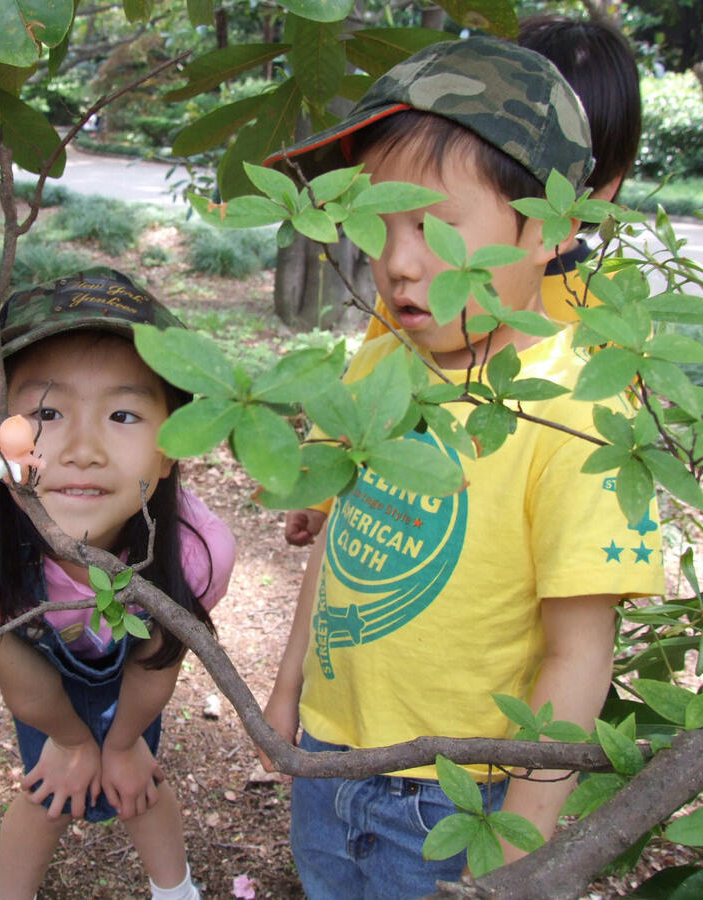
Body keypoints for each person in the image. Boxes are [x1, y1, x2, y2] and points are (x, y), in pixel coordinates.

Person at [258, 37, 665, 898]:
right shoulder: (378, 365)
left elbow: (577, 659)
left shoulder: (577, 416)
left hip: (458, 801)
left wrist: (520, 850)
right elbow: (339, 552)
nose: (400, 263)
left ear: (552, 229)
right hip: (330, 764)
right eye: (378, 222)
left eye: (435, 227)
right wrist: (289, 686)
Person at [0, 268, 236, 900]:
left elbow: (157, 660)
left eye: (122, 414)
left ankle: (177, 890)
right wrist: (68, 741)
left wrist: (120, 744)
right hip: (41, 675)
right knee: (47, 788)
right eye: (47, 412)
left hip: (134, 672)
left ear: (172, 448)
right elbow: (23, 683)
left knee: (139, 780)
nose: (83, 449)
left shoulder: (196, 555)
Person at [285, 16, 645, 548]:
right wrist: (320, 488)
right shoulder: (414, 301)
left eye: (436, 225)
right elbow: (364, 390)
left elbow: (609, 454)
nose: (401, 263)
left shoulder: (608, 317)